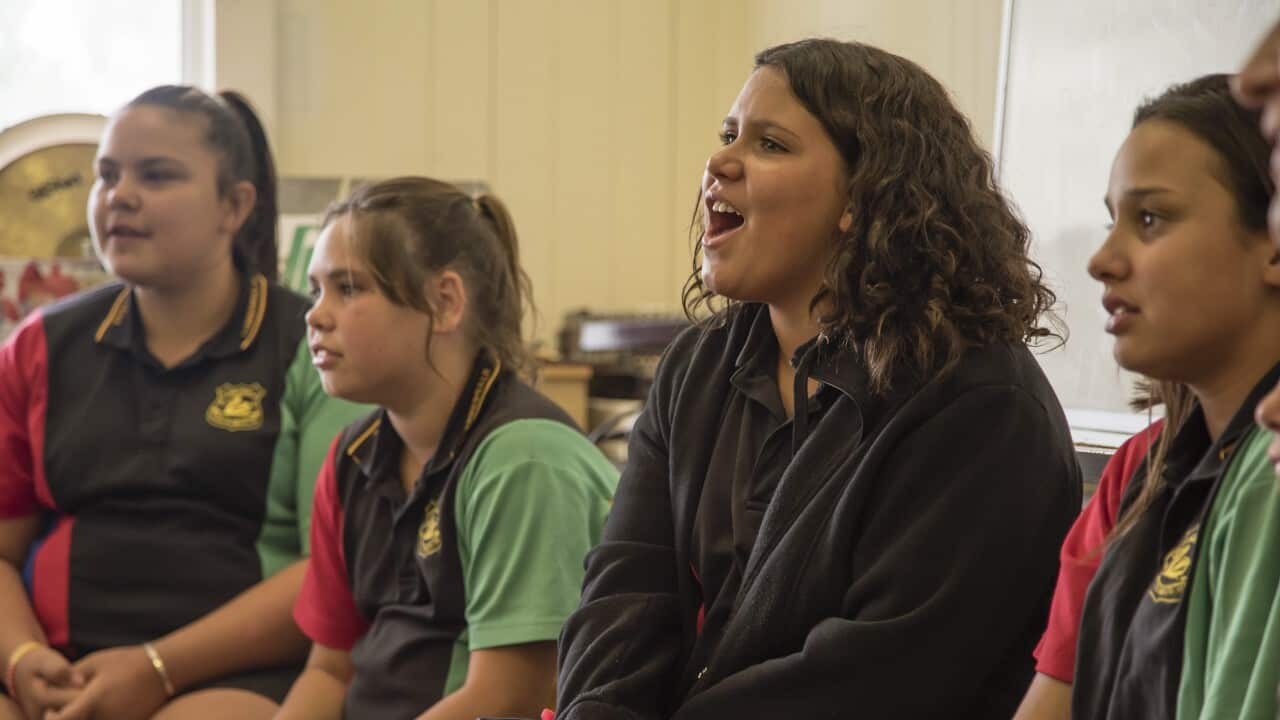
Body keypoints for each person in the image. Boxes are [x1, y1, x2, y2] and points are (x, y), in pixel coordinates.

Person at [554, 38, 1080, 719]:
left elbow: (877, 678)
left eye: (770, 144)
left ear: (862, 197)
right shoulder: (695, 367)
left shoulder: (981, 406)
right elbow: (623, 595)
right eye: (728, 135)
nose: (719, 162)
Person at [0, 85, 367, 720]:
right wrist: (21, 657)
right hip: (59, 673)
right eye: (107, 175)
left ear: (235, 206)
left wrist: (158, 668)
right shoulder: (39, 346)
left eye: (157, 175)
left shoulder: (313, 347)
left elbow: (335, 568)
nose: (120, 196)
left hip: (237, 679)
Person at [277, 177, 619, 720]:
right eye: (316, 290)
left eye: (348, 288)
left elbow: (510, 696)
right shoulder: (351, 459)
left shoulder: (524, 460)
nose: (315, 315)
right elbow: (329, 670)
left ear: (444, 303)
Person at [1068, 73, 1280, 719]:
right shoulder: (1166, 467)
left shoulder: (1268, 468)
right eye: (1112, 220)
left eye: (1151, 219)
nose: (1102, 260)